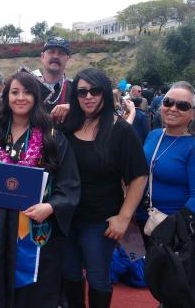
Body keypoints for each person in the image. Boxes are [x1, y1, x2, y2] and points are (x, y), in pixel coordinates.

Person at [0, 71, 81, 308]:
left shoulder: (52, 138)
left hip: (34, 228)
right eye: (14, 92)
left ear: (36, 97)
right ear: (6, 97)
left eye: (27, 92)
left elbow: (69, 184)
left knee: (35, 293)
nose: (20, 98)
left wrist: (51, 206)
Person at [62, 68, 148, 307]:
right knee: (69, 275)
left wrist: (124, 216)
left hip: (100, 220)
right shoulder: (67, 126)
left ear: (105, 94)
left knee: (98, 278)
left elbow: (139, 176)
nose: (88, 97)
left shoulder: (121, 130)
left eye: (95, 91)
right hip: (65, 217)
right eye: (81, 92)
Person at [136, 81, 195, 231]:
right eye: (168, 102)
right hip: (142, 218)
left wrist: (173, 228)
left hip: (174, 227)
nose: (173, 108)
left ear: (193, 114)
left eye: (182, 105)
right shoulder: (153, 136)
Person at [40, 37, 73, 124]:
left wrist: (74, 108)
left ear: (67, 59)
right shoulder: (29, 86)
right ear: (42, 57)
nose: (56, 56)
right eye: (51, 52)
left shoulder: (76, 89)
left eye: (61, 53)